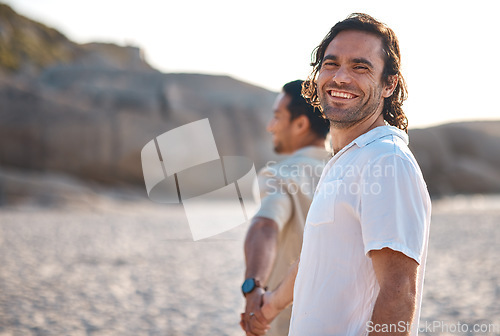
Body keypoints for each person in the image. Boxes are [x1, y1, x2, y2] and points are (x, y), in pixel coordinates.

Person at [248, 13, 431, 336]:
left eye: (360, 67)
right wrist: (272, 304)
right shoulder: (347, 160)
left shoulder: (385, 161)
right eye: (331, 64)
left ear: (389, 83)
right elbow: (320, 260)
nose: (341, 78)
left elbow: (399, 290)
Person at [240, 80, 330, 336]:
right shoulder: (350, 173)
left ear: (300, 124)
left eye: (278, 117)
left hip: (289, 322)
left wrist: (253, 287)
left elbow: (265, 225)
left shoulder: (281, 175)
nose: (271, 126)